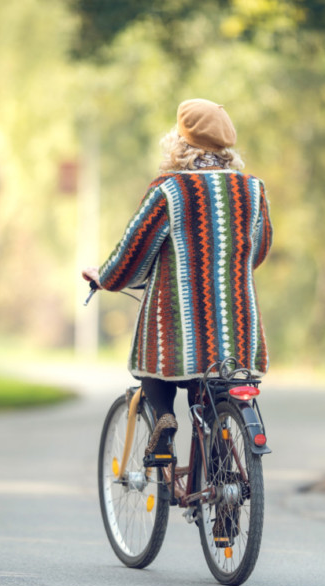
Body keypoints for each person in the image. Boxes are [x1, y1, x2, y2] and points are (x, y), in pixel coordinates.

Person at [82, 98, 272, 458]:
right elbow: (257, 252)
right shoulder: (252, 190)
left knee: (153, 368)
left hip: (178, 324)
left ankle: (165, 420)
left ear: (179, 142)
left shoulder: (169, 190)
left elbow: (132, 252)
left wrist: (104, 278)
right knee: (216, 396)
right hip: (236, 326)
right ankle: (223, 490)